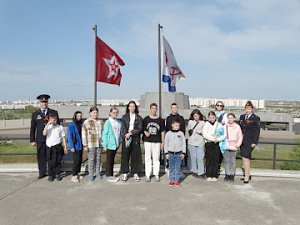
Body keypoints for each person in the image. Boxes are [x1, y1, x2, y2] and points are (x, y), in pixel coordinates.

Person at [30, 94, 60, 179]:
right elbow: (33, 128)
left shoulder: (54, 112)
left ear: (48, 102)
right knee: (41, 156)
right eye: (42, 102)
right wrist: (32, 140)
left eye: (45, 102)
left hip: (51, 139)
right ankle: (42, 172)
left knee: (52, 156)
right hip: (40, 139)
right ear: (39, 102)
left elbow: (58, 126)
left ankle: (52, 173)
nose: (44, 103)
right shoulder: (35, 114)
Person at [120, 101, 143, 182]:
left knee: (135, 156)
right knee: (125, 156)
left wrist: (131, 133)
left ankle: (135, 173)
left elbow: (140, 129)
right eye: (131, 106)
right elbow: (122, 128)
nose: (132, 107)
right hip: (126, 138)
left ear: (135, 107)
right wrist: (125, 136)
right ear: (128, 107)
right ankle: (125, 173)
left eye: (134, 106)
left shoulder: (139, 118)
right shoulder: (124, 117)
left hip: (135, 138)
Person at [143, 103, 165, 182]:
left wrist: (162, 142)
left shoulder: (160, 120)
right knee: (148, 158)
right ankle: (148, 175)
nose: (154, 110)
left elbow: (162, 131)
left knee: (156, 158)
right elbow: (143, 128)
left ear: (157, 109)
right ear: (150, 109)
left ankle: (156, 174)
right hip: (148, 141)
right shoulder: (146, 119)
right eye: (152, 108)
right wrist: (145, 132)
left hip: (157, 141)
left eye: (155, 108)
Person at [239, 101, 260, 184]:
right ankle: (248, 174)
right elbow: (239, 128)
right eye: (246, 109)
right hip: (242, 141)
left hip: (250, 141)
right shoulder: (242, 117)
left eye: (249, 109)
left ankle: (246, 177)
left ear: (251, 109)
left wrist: (255, 142)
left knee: (245, 157)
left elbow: (257, 131)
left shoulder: (255, 118)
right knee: (245, 157)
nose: (247, 110)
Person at [43, 113, 68, 182]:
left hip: (57, 146)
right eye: (53, 120)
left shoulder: (60, 127)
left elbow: (63, 138)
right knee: (50, 162)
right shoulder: (48, 127)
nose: (54, 121)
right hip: (49, 147)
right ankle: (51, 175)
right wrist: (48, 124)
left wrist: (65, 147)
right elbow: (44, 133)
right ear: (50, 120)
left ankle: (57, 174)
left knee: (58, 161)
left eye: (55, 120)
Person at [203, 111, 226, 182]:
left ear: (215, 117)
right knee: (209, 159)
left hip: (217, 144)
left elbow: (224, 134)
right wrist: (213, 139)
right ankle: (209, 174)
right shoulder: (206, 124)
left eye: (213, 117)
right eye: (210, 117)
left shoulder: (219, 124)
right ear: (208, 118)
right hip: (209, 143)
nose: (212, 119)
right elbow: (204, 134)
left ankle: (215, 175)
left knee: (216, 159)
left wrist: (218, 139)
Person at [82, 106, 102, 183]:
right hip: (90, 144)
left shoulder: (99, 122)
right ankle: (90, 174)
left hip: (98, 144)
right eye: (93, 113)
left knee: (98, 159)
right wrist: (85, 145)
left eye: (96, 113)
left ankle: (97, 173)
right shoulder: (86, 122)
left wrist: (102, 144)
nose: (95, 114)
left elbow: (101, 133)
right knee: (91, 160)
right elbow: (83, 134)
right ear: (90, 113)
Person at [165, 103, 186, 178]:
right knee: (170, 160)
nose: (174, 109)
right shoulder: (168, 118)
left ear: (177, 108)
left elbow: (183, 129)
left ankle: (178, 172)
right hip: (171, 141)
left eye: (176, 108)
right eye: (173, 108)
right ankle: (169, 171)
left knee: (178, 160)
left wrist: (180, 137)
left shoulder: (181, 118)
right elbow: (167, 129)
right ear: (171, 109)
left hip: (179, 140)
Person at [101, 107, 122, 182]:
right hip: (110, 144)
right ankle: (109, 175)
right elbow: (104, 134)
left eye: (116, 112)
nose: (115, 114)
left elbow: (119, 133)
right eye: (113, 112)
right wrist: (104, 145)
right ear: (110, 113)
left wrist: (120, 141)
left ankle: (111, 174)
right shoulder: (108, 122)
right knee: (109, 160)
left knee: (112, 160)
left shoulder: (119, 122)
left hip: (116, 144)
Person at [164, 119, 186, 187]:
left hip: (178, 153)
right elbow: (166, 144)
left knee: (177, 167)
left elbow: (183, 144)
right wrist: (166, 153)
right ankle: (171, 180)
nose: (177, 127)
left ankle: (176, 180)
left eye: (178, 125)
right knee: (171, 167)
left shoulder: (181, 133)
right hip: (170, 153)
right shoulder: (168, 134)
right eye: (176, 125)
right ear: (172, 125)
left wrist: (183, 153)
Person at [223, 113, 243, 182]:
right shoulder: (225, 126)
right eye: (229, 118)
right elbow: (222, 135)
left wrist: (237, 145)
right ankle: (227, 174)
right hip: (226, 145)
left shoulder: (237, 127)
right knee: (226, 161)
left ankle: (232, 174)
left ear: (234, 118)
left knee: (233, 161)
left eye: (231, 118)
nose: (230, 119)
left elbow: (240, 136)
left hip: (234, 146)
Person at [187, 109, 206, 178]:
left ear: (200, 116)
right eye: (195, 116)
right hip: (191, 142)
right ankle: (193, 170)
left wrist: (201, 132)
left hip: (200, 142)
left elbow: (205, 132)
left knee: (200, 158)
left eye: (197, 116)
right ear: (192, 116)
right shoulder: (190, 122)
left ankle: (201, 172)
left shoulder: (203, 123)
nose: (196, 117)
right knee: (193, 157)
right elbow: (189, 131)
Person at [67, 111, 83, 183]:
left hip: (80, 145)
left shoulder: (81, 124)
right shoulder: (71, 125)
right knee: (76, 161)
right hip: (75, 145)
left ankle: (77, 173)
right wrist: (71, 147)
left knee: (79, 160)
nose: (79, 117)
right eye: (78, 116)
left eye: (80, 116)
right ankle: (73, 175)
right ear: (75, 116)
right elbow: (69, 136)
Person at [215, 101, 227, 173]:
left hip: (222, 135)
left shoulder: (225, 114)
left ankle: (218, 166)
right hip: (214, 135)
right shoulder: (213, 113)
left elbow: (225, 124)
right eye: (218, 105)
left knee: (220, 151)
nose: (219, 106)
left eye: (221, 105)